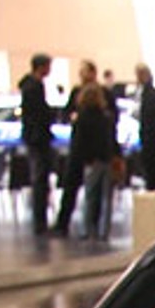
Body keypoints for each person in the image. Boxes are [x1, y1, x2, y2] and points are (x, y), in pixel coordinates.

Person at [67, 82, 120, 241]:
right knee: (107, 198)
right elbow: (112, 140)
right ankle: (104, 231)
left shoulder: (81, 118)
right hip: (107, 159)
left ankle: (86, 229)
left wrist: (84, 159)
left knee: (90, 196)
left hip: (92, 161)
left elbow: (78, 143)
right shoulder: (107, 117)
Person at [53, 59, 99, 235]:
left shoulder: (101, 93)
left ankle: (92, 225)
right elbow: (66, 114)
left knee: (94, 190)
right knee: (70, 184)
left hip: (94, 148)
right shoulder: (76, 92)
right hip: (79, 145)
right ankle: (62, 223)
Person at [19, 53, 56, 235]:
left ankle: (40, 220)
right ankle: (39, 222)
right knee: (40, 179)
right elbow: (38, 114)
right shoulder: (34, 88)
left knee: (41, 179)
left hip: (36, 138)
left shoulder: (31, 86)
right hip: (38, 140)